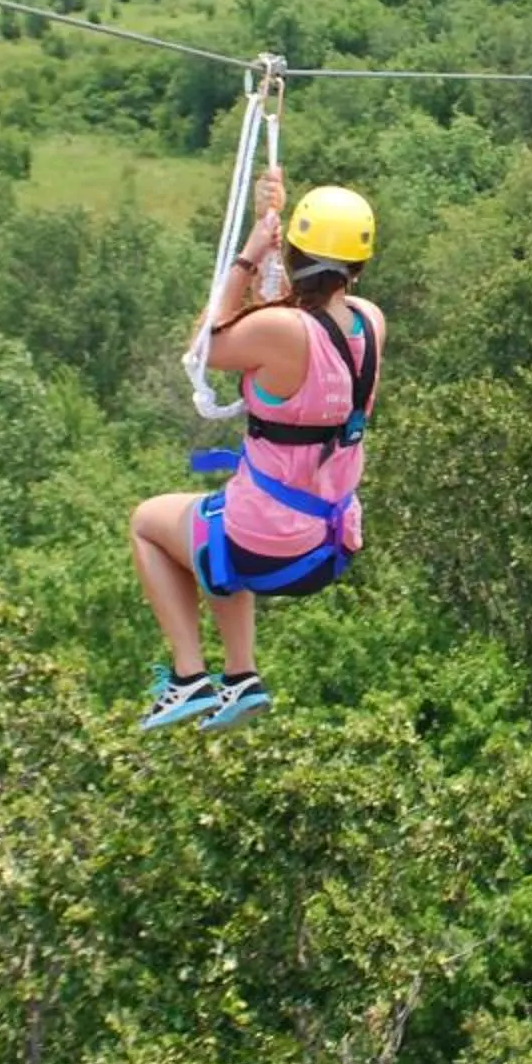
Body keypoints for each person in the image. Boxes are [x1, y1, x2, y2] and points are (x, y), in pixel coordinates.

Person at [130, 167, 381, 731]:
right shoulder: (371, 323)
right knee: (217, 521)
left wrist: (249, 256)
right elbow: (296, 316)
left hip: (270, 543)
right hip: (330, 541)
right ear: (359, 266)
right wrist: (278, 239)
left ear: (295, 254)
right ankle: (240, 676)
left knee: (148, 522)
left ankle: (188, 677)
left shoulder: (280, 331)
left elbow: (205, 347)